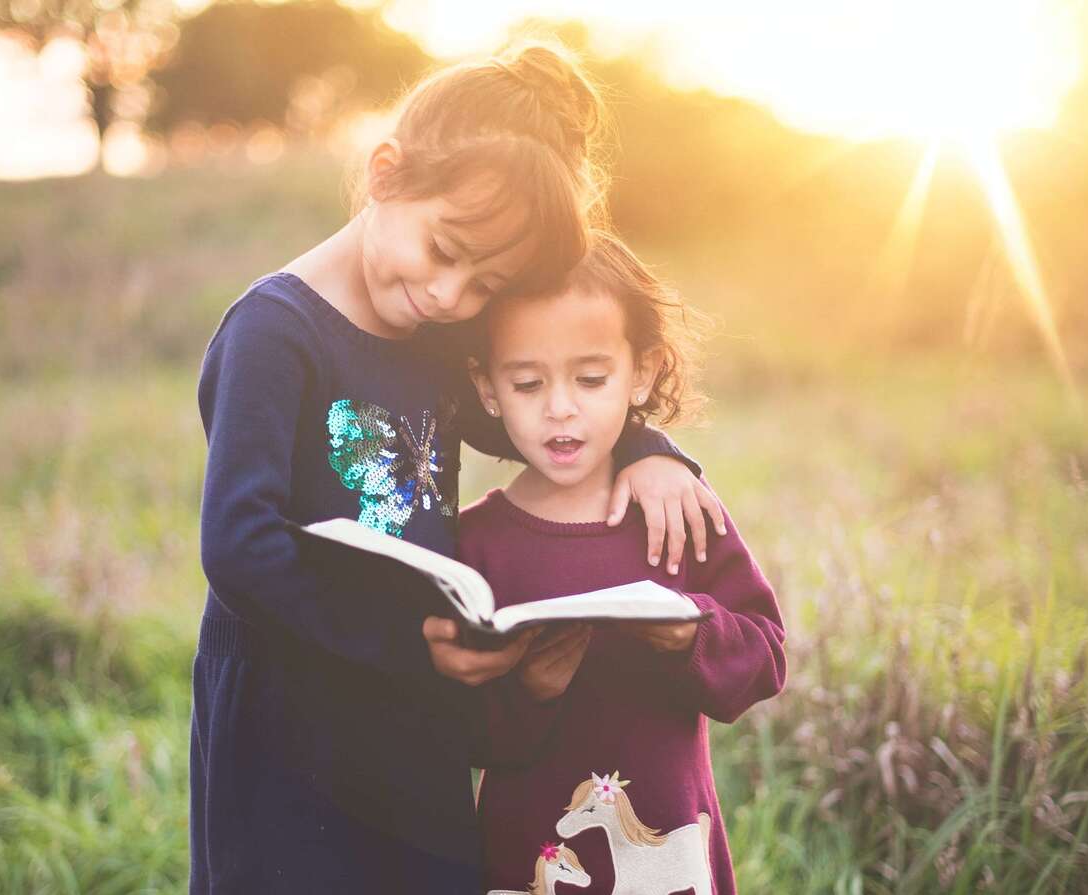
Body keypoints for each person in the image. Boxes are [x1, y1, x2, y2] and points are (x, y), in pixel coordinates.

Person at [192, 44, 723, 893]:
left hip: (414, 724)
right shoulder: (274, 334)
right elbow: (239, 547)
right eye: (445, 249)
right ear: (385, 175)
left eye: (486, 285)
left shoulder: (436, 343)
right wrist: (413, 646)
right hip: (291, 728)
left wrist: (653, 452)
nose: (450, 296)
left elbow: (549, 428)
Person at [462, 231, 787, 895]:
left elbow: (766, 655)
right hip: (529, 854)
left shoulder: (677, 509)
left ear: (640, 371)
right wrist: (528, 691)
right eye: (527, 381)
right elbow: (452, 726)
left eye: (590, 378)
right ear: (487, 387)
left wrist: (693, 633)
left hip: (666, 852)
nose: (560, 406)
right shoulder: (475, 543)